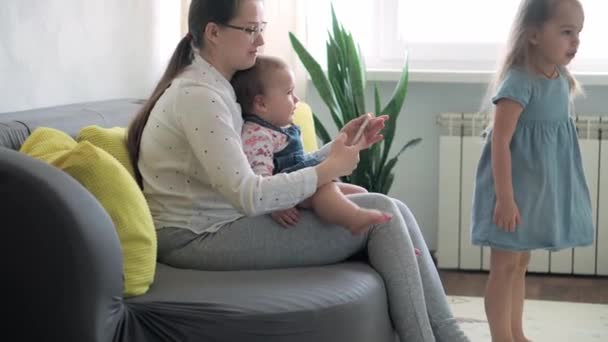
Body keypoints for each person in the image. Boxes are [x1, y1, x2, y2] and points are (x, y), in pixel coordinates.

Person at [127, 0, 469, 341]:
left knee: (397, 211)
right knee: (382, 215)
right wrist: (329, 169)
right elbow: (250, 193)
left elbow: (262, 166)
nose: (260, 41)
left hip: (220, 221)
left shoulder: (218, 88)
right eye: (250, 30)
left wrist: (335, 148)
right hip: (195, 237)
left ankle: (451, 336)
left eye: (261, 29)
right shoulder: (199, 97)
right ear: (213, 33)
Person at [470, 0, 593, 341]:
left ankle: (516, 332)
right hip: (509, 191)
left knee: (520, 265)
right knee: (504, 266)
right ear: (534, 34)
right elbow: (500, 142)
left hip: (533, 193)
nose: (576, 41)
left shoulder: (560, 79)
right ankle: (501, 337)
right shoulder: (519, 81)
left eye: (578, 33)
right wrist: (505, 199)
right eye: (566, 32)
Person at [232, 55, 392, 234]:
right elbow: (260, 182)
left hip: (302, 187)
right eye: (288, 93)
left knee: (360, 193)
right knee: (327, 189)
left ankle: (384, 235)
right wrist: (274, 206)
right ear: (261, 103)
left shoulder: (279, 131)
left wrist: (345, 139)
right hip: (290, 195)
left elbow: (304, 161)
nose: (296, 99)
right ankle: (354, 219)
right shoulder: (256, 135)